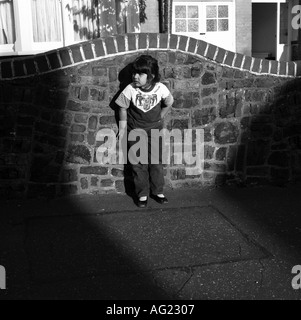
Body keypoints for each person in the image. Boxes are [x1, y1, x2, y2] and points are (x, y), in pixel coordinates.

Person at [115, 55, 174, 208]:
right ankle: (142, 194)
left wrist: (160, 117)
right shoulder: (130, 89)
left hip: (155, 131)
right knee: (138, 164)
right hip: (136, 131)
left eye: (140, 74)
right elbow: (122, 107)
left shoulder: (161, 88)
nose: (135, 76)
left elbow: (169, 102)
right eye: (134, 73)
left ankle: (157, 191)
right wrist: (122, 128)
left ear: (151, 76)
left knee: (156, 162)